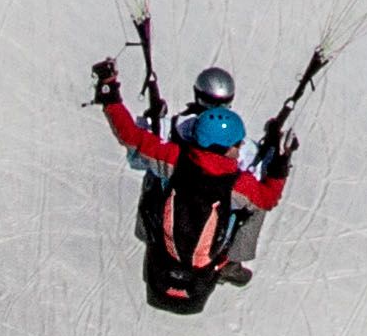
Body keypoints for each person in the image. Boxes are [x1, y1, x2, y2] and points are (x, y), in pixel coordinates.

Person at [94, 57, 291, 315]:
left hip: (163, 243)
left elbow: (129, 136)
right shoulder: (238, 184)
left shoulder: (173, 159)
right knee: (254, 207)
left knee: (155, 176)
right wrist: (280, 160)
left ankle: (150, 235)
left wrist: (110, 91)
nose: (241, 147)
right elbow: (267, 198)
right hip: (206, 257)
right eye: (237, 144)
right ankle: (232, 260)